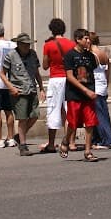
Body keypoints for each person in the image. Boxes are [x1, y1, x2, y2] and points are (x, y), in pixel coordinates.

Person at [61, 30, 101, 162]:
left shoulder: (90, 56)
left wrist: (91, 91)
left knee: (90, 122)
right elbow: (70, 76)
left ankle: (87, 151)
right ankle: (66, 140)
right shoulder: (70, 55)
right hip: (74, 94)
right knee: (73, 122)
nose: (88, 41)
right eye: (85, 39)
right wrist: (85, 90)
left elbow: (94, 70)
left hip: (89, 93)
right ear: (78, 39)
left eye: (89, 39)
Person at [40, 18, 76, 154]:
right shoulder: (71, 44)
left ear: (51, 29)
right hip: (69, 78)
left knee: (53, 109)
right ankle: (70, 142)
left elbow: (45, 66)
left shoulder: (48, 45)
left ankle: (51, 144)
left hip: (55, 79)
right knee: (69, 111)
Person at [4, 33, 42, 154]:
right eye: (24, 45)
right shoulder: (11, 55)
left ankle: (19, 136)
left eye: (28, 45)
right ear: (19, 44)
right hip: (19, 91)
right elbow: (2, 74)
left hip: (32, 89)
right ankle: (23, 145)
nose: (27, 47)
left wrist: (41, 88)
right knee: (22, 118)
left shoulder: (33, 54)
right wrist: (10, 87)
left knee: (35, 115)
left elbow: (36, 72)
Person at [89, 30, 111, 148]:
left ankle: (105, 139)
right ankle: (98, 138)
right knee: (102, 113)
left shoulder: (92, 55)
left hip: (96, 86)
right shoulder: (104, 54)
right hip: (103, 85)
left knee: (99, 115)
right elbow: (107, 71)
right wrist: (106, 84)